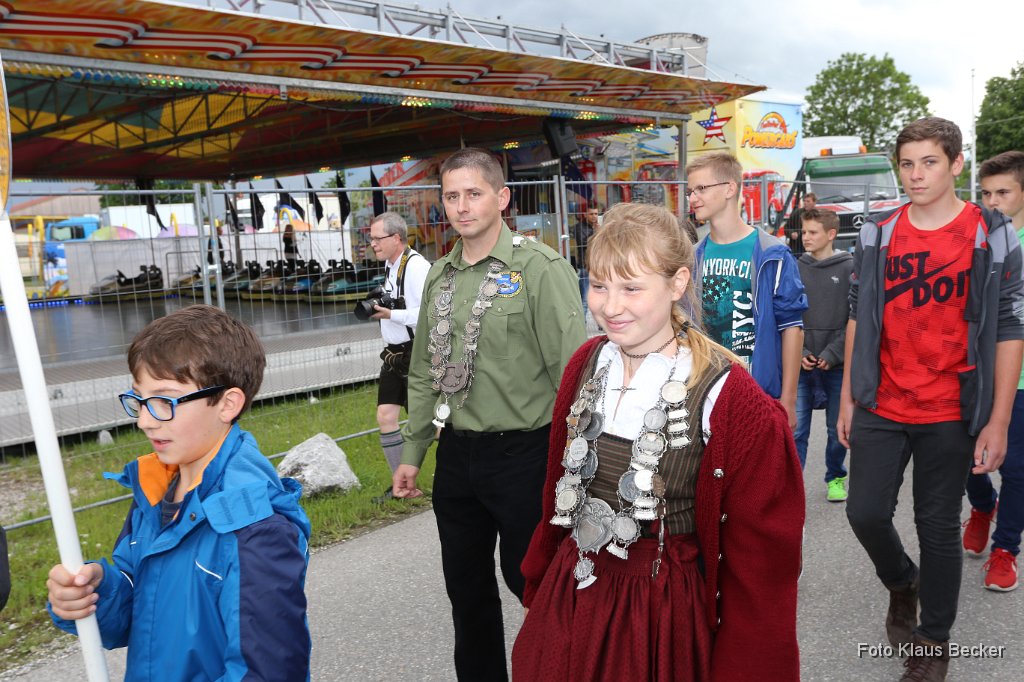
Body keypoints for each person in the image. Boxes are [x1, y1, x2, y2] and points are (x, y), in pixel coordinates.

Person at [513, 202, 804, 681]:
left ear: (677, 283)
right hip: (573, 588)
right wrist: (540, 581)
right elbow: (556, 493)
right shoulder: (587, 363)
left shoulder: (730, 397)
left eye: (631, 288)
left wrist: (747, 664)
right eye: (599, 285)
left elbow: (762, 564)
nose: (610, 306)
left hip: (658, 608)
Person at [838, 118, 1024, 680]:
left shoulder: (991, 232)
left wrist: (998, 421)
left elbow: (1009, 327)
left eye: (930, 162)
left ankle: (932, 643)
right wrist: (848, 397)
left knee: (937, 524)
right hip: (881, 401)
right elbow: (857, 315)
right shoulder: (877, 232)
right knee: (865, 512)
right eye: (907, 163)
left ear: (956, 164)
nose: (916, 175)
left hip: (951, 407)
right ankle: (903, 582)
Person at [392, 148, 587, 680]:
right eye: (451, 196)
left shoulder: (539, 268)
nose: (461, 206)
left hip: (526, 455)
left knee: (535, 588)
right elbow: (423, 371)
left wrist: (577, 464)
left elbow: (574, 374)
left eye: (473, 194)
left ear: (501, 198)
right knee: (467, 594)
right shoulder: (440, 274)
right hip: (458, 457)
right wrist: (413, 451)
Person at [46, 305, 312, 681]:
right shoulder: (156, 489)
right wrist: (96, 592)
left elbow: (268, 671)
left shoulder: (254, 527)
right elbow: (141, 606)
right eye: (139, 399)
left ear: (227, 404)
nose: (144, 420)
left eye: (164, 401)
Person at [689, 151, 807, 429]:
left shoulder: (772, 253)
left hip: (757, 391)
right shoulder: (693, 256)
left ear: (730, 189)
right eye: (691, 191)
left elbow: (792, 327)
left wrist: (788, 400)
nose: (693, 198)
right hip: (705, 390)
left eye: (701, 188)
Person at [962, 150, 1024, 590]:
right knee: (968, 460)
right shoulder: (977, 238)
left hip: (1020, 379)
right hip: (976, 372)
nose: (993, 202)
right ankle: (984, 506)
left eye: (1003, 192)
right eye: (986, 193)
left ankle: (1006, 550)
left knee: (1017, 466)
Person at [366, 211, 430, 503]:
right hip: (393, 355)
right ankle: (400, 487)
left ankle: (456, 478)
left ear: (396, 238)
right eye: (371, 239)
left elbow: (428, 313)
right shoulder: (391, 266)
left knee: (431, 424)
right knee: (386, 416)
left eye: (377, 239)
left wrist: (391, 314)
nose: (373, 244)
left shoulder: (416, 267)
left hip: (415, 353)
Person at [794, 207, 853, 501]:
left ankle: (836, 477)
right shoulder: (795, 267)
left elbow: (854, 318)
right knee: (796, 430)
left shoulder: (849, 268)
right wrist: (801, 350)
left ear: (831, 234)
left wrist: (833, 353)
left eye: (812, 232)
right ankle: (792, 488)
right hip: (802, 364)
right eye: (804, 231)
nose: (805, 237)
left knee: (836, 429)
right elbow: (789, 316)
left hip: (837, 365)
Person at [575, 204, 601, 317]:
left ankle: (601, 324)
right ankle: (582, 323)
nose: (594, 216)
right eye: (591, 214)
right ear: (585, 215)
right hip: (585, 265)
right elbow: (583, 243)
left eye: (596, 214)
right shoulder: (579, 227)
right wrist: (596, 232)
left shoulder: (598, 227)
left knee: (601, 296)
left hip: (598, 265)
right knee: (585, 299)